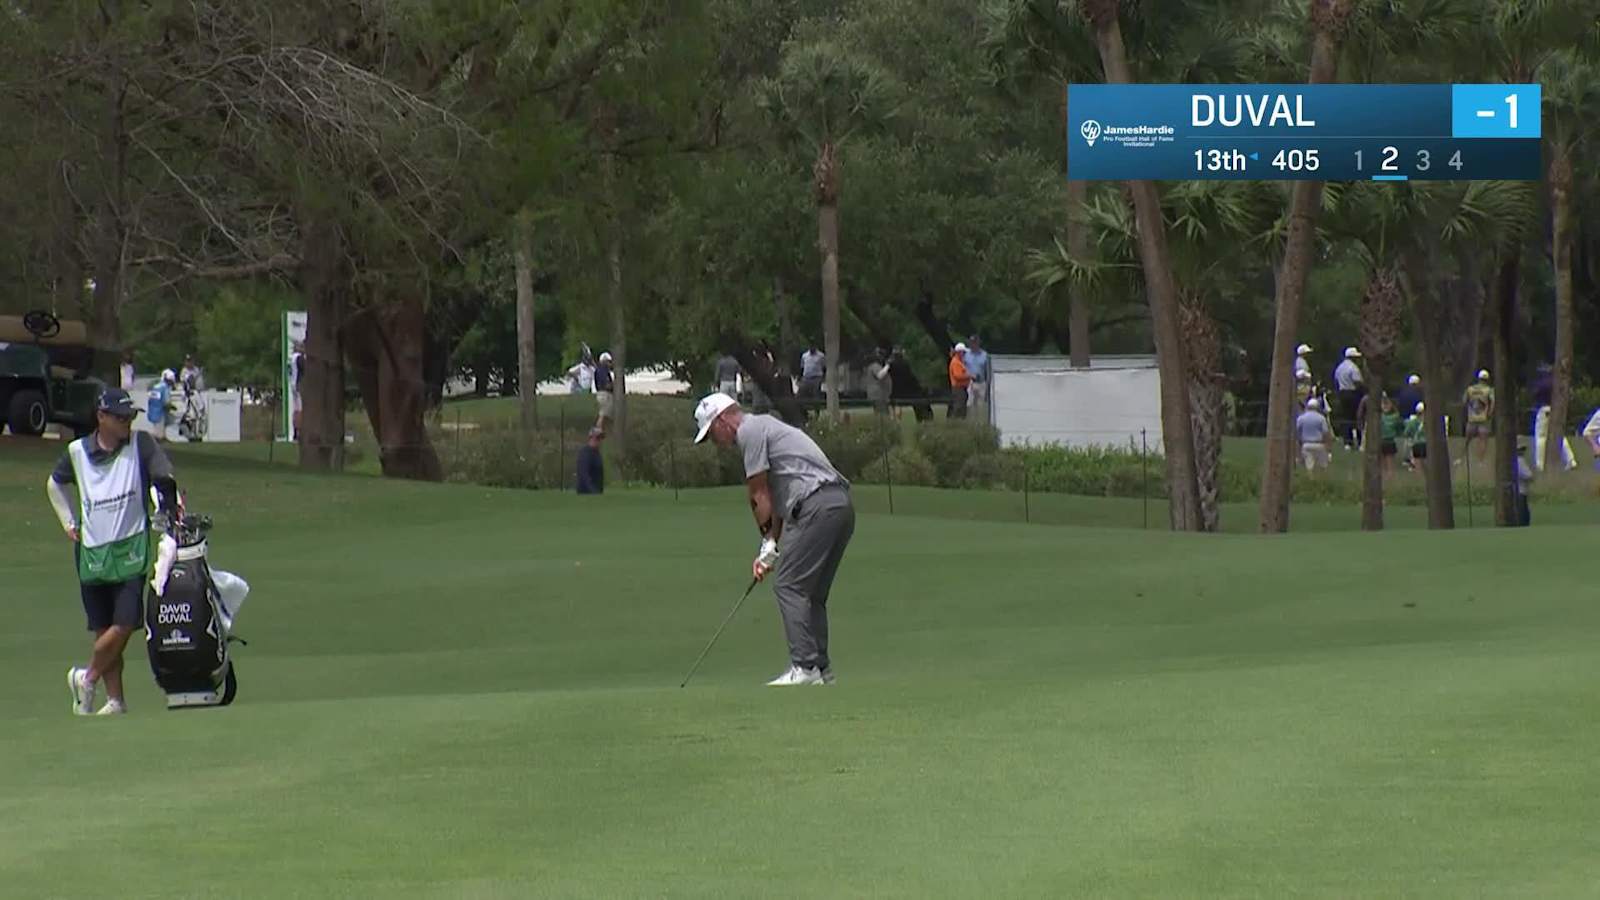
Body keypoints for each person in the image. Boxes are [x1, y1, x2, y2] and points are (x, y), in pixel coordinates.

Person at [693, 392, 854, 686]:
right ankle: (821, 670)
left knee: (789, 586)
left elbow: (758, 492)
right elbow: (778, 503)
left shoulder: (750, 432)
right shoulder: (768, 427)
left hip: (817, 506)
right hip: (839, 506)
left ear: (723, 420)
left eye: (711, 434)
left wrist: (768, 543)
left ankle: (804, 668)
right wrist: (769, 547)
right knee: (811, 593)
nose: (715, 443)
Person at [46, 388, 180, 716]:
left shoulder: (140, 444)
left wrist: (166, 497)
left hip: (130, 547)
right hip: (92, 551)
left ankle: (86, 677)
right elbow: (54, 484)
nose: (126, 423)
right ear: (101, 417)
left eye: (130, 417)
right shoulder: (76, 451)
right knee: (105, 629)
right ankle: (115, 700)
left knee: (125, 623)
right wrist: (68, 521)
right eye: (120, 418)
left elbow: (163, 474)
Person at [1333, 347, 1364, 449]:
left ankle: (1347, 441)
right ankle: (1360, 441)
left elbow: (1336, 381)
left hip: (1342, 393)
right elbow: (1357, 382)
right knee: (1357, 416)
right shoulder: (1353, 368)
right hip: (1353, 393)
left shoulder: (1339, 368)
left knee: (1345, 417)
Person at [1463, 369, 1495, 462]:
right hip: (1483, 418)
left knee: (1467, 440)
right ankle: (1480, 460)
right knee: (1483, 440)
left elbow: (1464, 401)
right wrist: (1490, 413)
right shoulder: (1489, 390)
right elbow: (1493, 403)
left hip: (1472, 417)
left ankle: (1462, 458)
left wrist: (1467, 411)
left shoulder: (1470, 389)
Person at [1296, 398, 1333, 473]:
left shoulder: (1301, 418)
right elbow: (1325, 433)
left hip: (1306, 444)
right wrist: (1328, 448)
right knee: (1323, 467)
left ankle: (1310, 481)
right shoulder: (1321, 418)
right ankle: (1321, 482)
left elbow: (1297, 433)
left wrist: (1298, 448)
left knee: (1309, 467)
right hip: (1319, 444)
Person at [963, 335, 992, 424]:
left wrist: (988, 386)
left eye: (975, 342)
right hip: (970, 382)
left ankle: (980, 424)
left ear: (978, 343)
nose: (973, 345)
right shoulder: (966, 355)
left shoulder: (985, 355)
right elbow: (962, 369)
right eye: (971, 343)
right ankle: (971, 424)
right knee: (970, 404)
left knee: (980, 405)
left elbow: (988, 372)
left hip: (981, 383)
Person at [146, 369, 175, 442]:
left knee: (158, 429)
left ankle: (161, 437)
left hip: (152, 411)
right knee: (159, 436)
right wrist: (173, 407)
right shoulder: (165, 388)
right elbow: (166, 402)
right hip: (160, 412)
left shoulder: (156, 386)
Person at [576, 427, 605, 495]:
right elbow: (584, 475)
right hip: (585, 494)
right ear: (591, 438)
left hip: (597, 492)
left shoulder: (597, 453)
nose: (600, 440)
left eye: (601, 438)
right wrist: (593, 492)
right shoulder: (585, 453)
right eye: (598, 438)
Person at [866, 348, 894, 416]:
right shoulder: (875, 366)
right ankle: (883, 426)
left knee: (879, 415)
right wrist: (888, 365)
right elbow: (879, 375)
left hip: (879, 395)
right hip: (878, 395)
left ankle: (880, 425)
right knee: (883, 415)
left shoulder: (875, 366)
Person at [1378, 394, 1402, 476]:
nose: (1385, 406)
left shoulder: (1394, 417)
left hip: (1389, 441)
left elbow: (1399, 427)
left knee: (1390, 462)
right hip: (1381, 441)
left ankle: (1390, 476)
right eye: (1383, 404)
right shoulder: (1379, 417)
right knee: (1381, 463)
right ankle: (1385, 476)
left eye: (1387, 404)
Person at [948, 342, 971, 420]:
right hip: (958, 388)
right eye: (963, 352)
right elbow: (957, 376)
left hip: (961, 388)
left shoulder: (959, 362)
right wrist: (969, 376)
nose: (964, 354)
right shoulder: (956, 362)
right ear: (959, 352)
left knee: (962, 408)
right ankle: (956, 422)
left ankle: (960, 422)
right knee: (959, 407)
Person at [1403, 402, 1428, 470]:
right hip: (1427, 445)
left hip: (1416, 444)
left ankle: (1419, 479)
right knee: (1426, 465)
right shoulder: (1429, 422)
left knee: (1418, 465)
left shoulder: (1412, 422)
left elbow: (1406, 433)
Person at [593, 351, 615, 430]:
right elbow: (606, 384)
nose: (611, 364)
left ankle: (602, 429)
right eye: (609, 362)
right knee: (603, 413)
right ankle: (598, 429)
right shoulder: (603, 371)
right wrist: (615, 384)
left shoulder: (600, 370)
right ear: (604, 362)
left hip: (601, 393)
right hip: (604, 394)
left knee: (606, 413)